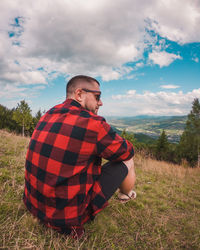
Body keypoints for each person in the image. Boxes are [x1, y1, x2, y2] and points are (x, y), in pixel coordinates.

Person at [23, 75, 136, 239]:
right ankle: (126, 194)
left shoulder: (48, 114)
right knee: (127, 159)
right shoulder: (93, 123)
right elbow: (126, 151)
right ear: (79, 95)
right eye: (97, 97)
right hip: (68, 219)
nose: (101, 102)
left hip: (33, 205)